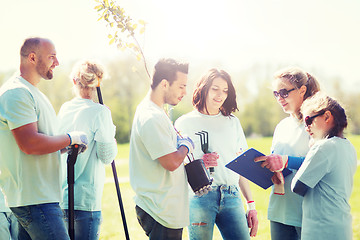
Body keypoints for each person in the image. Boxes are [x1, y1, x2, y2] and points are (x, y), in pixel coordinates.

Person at [0, 37, 88, 240]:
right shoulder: (17, 93)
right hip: (34, 199)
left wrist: (67, 146)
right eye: (52, 57)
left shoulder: (33, 92)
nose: (57, 62)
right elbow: (30, 144)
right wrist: (69, 137)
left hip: (40, 197)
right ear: (32, 57)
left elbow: (40, 142)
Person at [175, 68, 258, 239]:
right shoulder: (184, 123)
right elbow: (176, 165)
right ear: (203, 88)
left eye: (225, 91)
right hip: (200, 197)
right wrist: (200, 163)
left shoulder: (232, 122)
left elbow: (241, 165)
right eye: (215, 89)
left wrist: (251, 205)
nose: (220, 95)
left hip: (232, 196)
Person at [129, 58, 194, 240]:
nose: (185, 92)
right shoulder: (151, 116)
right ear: (165, 84)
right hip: (160, 211)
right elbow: (171, 162)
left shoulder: (157, 112)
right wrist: (185, 146)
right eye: (181, 86)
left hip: (165, 210)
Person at [254, 67, 320, 240]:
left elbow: (320, 163)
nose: (279, 99)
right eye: (276, 94)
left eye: (284, 92)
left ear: (302, 90)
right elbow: (277, 163)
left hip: (306, 211)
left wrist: (286, 161)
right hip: (279, 210)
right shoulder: (281, 126)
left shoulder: (317, 125)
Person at [57, 60, 117, 239]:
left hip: (62, 198)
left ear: (74, 82)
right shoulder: (100, 112)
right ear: (98, 83)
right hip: (86, 201)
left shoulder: (64, 109)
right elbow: (106, 156)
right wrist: (111, 131)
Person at [291, 93, 357, 240]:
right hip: (342, 226)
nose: (306, 128)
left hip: (321, 229)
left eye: (308, 120)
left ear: (327, 117)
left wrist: (311, 150)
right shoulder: (348, 146)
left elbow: (297, 186)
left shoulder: (323, 148)